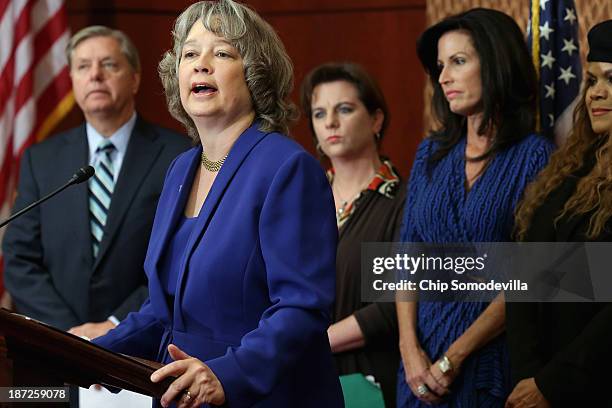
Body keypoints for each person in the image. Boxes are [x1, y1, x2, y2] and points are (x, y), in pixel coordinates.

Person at [93, 1, 344, 407]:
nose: (200, 64)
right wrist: (85, 352)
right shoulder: (180, 170)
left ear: (255, 74)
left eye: (222, 52)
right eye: (190, 53)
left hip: (267, 395)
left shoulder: (286, 167)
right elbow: (164, 310)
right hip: (183, 395)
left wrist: (228, 374)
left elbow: (301, 307)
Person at [395, 8, 554, 407]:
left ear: (497, 62)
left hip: (489, 363)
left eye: (459, 61)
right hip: (418, 368)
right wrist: (410, 350)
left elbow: (534, 279)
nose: (444, 77)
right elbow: (406, 257)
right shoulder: (430, 153)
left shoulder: (536, 157)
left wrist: (455, 357)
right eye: (440, 66)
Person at [2, 26, 190, 336]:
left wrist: (115, 326)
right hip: (57, 349)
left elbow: (179, 260)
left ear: (135, 78)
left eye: (109, 64)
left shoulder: (178, 156)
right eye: (83, 67)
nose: (95, 75)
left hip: (142, 349)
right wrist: (71, 334)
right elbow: (20, 260)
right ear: (73, 80)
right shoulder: (41, 160)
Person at [506, 19, 612, 408]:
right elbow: (526, 276)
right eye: (592, 80)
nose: (596, 94)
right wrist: (526, 374)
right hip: (531, 383)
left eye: (611, 80)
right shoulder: (567, 169)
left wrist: (551, 384)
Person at [300, 62, 405, 408]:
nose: (329, 122)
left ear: (376, 120)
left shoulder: (403, 201)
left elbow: (395, 305)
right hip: (296, 376)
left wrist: (314, 341)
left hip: (369, 379)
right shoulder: (299, 201)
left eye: (344, 109)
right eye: (319, 113)